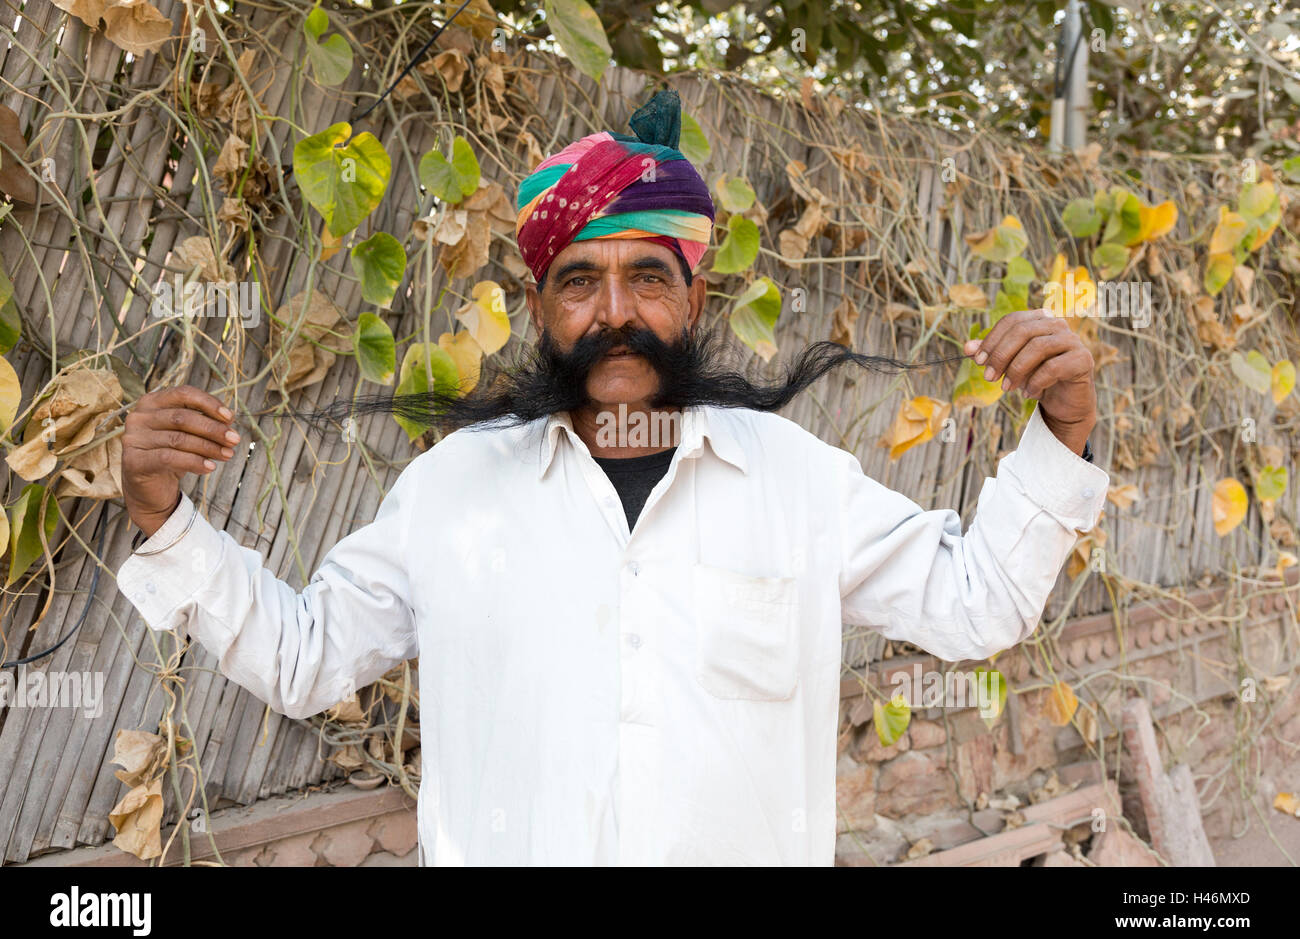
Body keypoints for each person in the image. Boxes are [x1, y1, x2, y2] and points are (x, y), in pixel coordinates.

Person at [117, 90, 1108, 865]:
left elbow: (977, 605)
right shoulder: (454, 489)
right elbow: (306, 658)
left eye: (648, 276)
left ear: (696, 293)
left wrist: (1063, 427)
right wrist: (166, 518)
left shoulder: (799, 483)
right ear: (540, 302)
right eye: (580, 280)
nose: (613, 310)